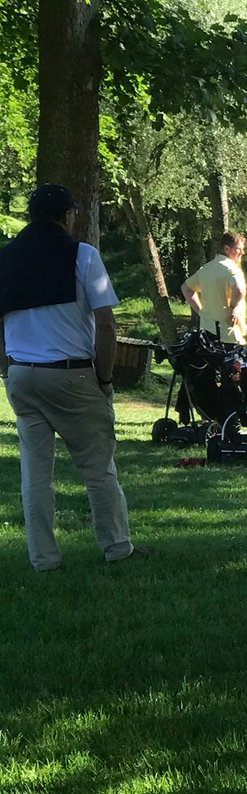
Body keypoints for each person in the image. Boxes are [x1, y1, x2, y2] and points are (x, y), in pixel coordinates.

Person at [0, 184, 143, 570]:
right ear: (67, 216)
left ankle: (43, 559)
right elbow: (106, 324)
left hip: (22, 376)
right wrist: (105, 377)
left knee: (35, 475)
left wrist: (7, 370)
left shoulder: (6, 258)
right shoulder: (82, 255)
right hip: (72, 376)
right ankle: (117, 547)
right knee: (98, 467)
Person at [182, 231, 247, 344]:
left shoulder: (205, 269)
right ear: (227, 249)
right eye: (239, 249)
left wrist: (200, 311)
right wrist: (233, 307)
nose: (242, 252)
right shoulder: (232, 269)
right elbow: (239, 290)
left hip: (207, 336)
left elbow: (186, 289)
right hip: (229, 335)